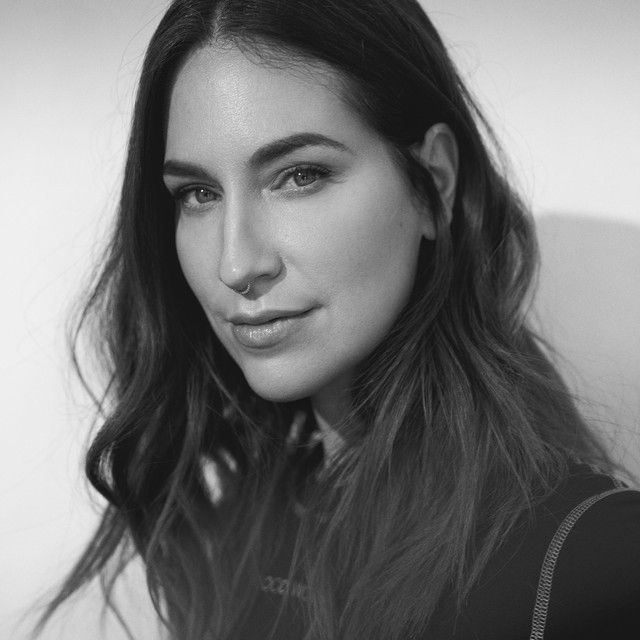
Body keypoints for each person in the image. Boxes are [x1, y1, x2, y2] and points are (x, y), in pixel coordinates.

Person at [35, 1, 640, 639]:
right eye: (199, 193)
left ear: (434, 181)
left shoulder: (593, 560)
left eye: (300, 176)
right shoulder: (235, 534)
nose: (236, 263)